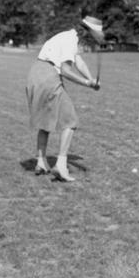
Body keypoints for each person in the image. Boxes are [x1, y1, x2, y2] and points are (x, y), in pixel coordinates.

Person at [26, 16, 104, 182]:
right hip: (48, 77)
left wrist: (92, 80)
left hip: (35, 75)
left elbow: (78, 61)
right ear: (88, 33)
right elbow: (66, 70)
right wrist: (86, 83)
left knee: (45, 121)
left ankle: (41, 162)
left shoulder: (67, 36)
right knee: (70, 120)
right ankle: (61, 166)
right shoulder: (70, 40)